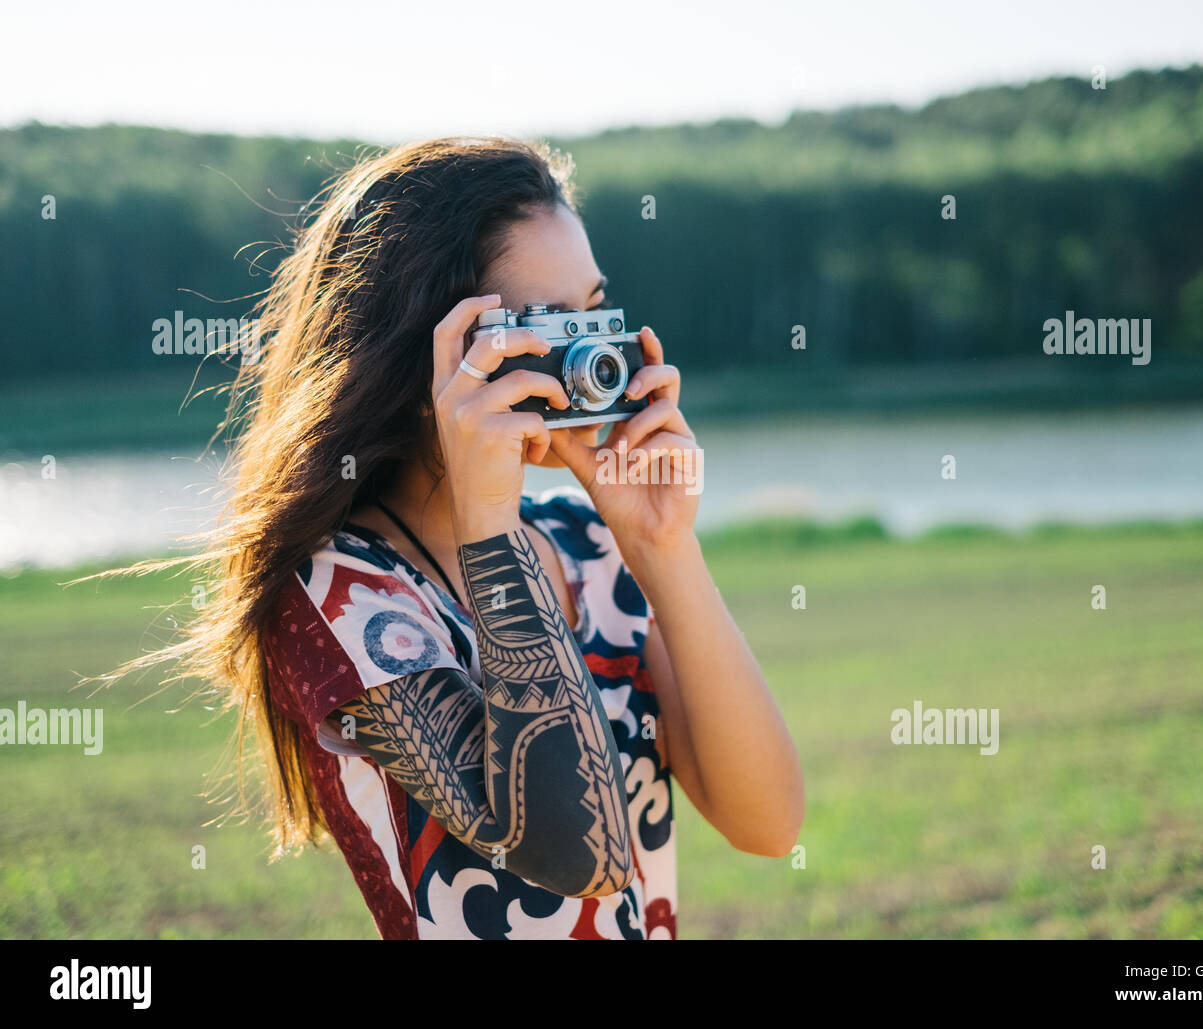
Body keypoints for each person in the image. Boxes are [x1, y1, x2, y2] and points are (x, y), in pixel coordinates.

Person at [135, 138, 803, 939]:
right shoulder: (339, 597)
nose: (584, 357)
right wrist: (488, 521)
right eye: (545, 328)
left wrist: (663, 546)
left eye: (594, 314)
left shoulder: (592, 549)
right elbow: (577, 856)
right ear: (427, 357)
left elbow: (768, 824)